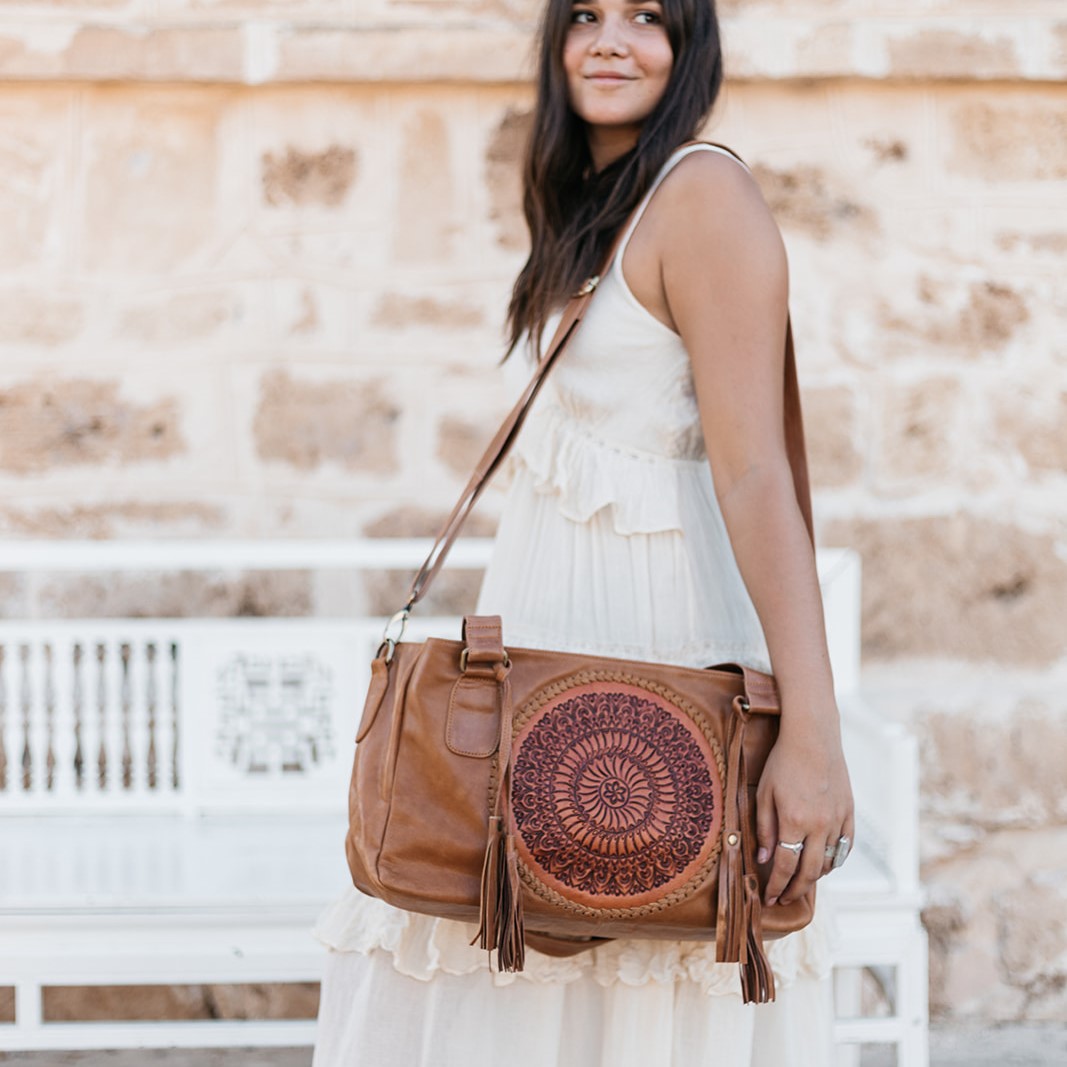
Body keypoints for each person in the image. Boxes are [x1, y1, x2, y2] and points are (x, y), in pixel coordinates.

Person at [312, 0, 854, 1063]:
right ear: (554, 43)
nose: (610, 39)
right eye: (586, 15)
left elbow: (754, 475)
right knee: (523, 968)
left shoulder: (702, 196)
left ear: (689, 45)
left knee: (641, 951)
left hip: (651, 639)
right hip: (552, 634)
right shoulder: (594, 209)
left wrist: (814, 732)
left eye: (647, 15)